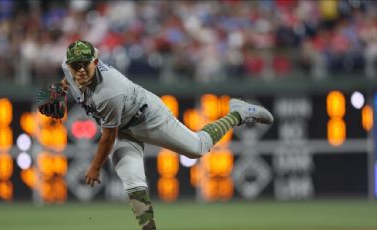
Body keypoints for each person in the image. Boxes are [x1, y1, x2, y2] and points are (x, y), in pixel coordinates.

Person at [38, 40, 273, 230]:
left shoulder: (109, 92)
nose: (79, 70)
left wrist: (95, 167)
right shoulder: (69, 69)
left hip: (148, 117)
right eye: (74, 64)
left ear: (96, 62)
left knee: (198, 147)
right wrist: (61, 89)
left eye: (84, 64)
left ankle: (238, 113)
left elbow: (108, 137)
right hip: (124, 129)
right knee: (132, 180)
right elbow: (67, 80)